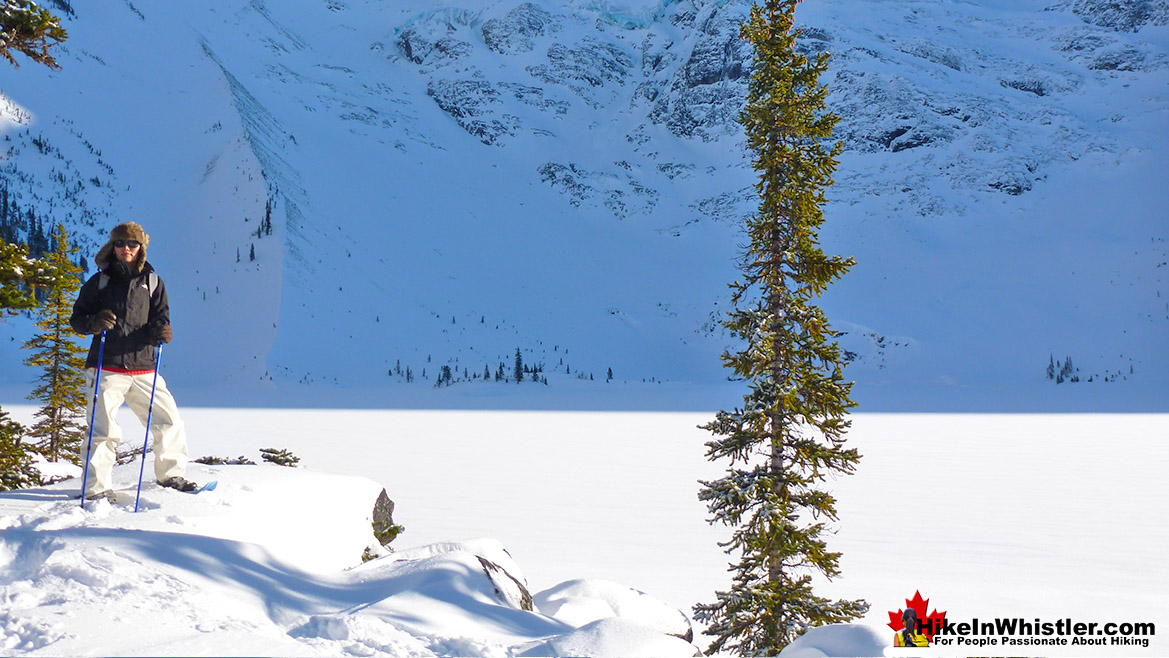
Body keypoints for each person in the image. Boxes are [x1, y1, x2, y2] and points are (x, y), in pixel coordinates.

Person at [70, 222, 196, 500]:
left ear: (141, 248)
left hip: (144, 366)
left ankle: (171, 474)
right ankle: (96, 489)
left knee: (168, 420)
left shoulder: (153, 282)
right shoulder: (99, 281)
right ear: (112, 247)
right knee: (103, 431)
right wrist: (94, 322)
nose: (125, 249)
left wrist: (161, 331)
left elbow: (160, 317)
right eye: (120, 244)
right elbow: (77, 320)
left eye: (132, 244)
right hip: (107, 365)